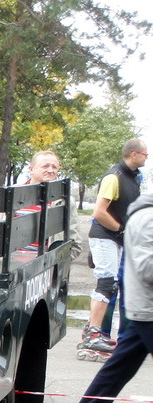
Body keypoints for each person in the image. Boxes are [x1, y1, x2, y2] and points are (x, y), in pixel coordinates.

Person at [66, 191, 153, 403]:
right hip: (146, 310)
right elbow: (147, 268)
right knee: (119, 367)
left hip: (143, 309)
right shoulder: (147, 218)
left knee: (119, 368)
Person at [79, 138, 147, 358]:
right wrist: (121, 231)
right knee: (106, 283)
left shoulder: (133, 177)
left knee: (112, 286)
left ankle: (94, 331)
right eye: (146, 154)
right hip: (105, 236)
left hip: (115, 239)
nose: (147, 157)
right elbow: (98, 212)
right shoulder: (113, 176)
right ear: (134, 154)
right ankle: (93, 334)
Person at [0, 150, 82, 262]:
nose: (51, 170)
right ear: (31, 169)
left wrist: (54, 263)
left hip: (44, 271)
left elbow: (75, 244)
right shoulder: (11, 195)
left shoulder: (65, 202)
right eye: (45, 166)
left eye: (54, 167)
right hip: (9, 267)